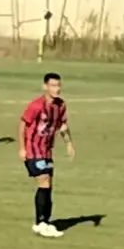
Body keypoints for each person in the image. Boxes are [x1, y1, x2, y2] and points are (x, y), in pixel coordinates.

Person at [20, 72, 75, 237]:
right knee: (44, 182)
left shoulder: (61, 105)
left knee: (47, 186)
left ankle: (43, 221)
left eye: (58, 85)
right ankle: (41, 223)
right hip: (33, 150)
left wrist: (69, 143)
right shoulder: (36, 106)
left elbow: (63, 126)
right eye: (52, 85)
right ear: (45, 86)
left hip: (46, 150)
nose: (56, 89)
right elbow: (23, 124)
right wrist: (22, 148)